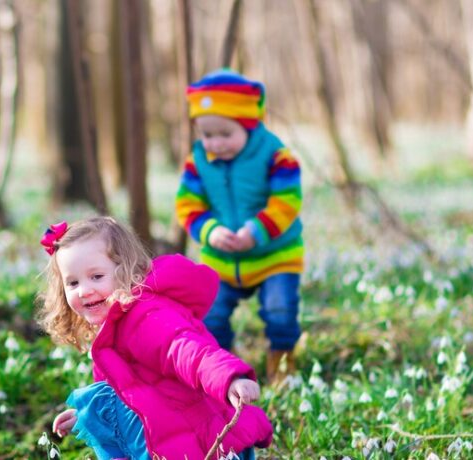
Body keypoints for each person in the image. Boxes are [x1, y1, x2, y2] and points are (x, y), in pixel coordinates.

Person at [37, 217, 272, 460]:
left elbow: (185, 349)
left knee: (102, 402)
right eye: (73, 282)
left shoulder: (146, 317)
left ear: (126, 270)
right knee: (99, 400)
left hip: (200, 438)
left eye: (96, 276)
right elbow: (127, 390)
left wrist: (228, 379)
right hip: (171, 430)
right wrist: (85, 416)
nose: (84, 290)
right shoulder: (113, 326)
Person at [174, 69, 304, 383]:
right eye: (207, 134)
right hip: (221, 257)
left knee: (280, 310)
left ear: (249, 124)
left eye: (224, 133)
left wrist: (256, 232)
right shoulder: (198, 161)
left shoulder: (275, 155)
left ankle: (282, 363)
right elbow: (187, 203)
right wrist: (209, 231)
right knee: (212, 314)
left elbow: (286, 200)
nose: (215, 143)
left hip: (275, 254)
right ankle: (223, 370)